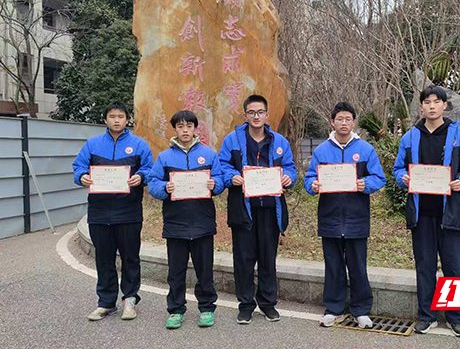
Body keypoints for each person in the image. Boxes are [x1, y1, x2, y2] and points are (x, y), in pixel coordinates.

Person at [393, 86, 460, 337]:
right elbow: (398, 169)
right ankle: (427, 315)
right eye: (427, 102)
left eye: (437, 102)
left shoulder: (459, 136)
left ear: (444, 105)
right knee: (425, 266)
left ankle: (456, 318)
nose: (432, 106)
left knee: (453, 267)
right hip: (422, 213)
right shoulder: (410, 137)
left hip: (450, 212)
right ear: (421, 107)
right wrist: (404, 178)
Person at [303, 102, 386, 329]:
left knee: (358, 265)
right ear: (332, 122)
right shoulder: (322, 151)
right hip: (329, 217)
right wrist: (314, 185)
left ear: (354, 122)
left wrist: (364, 183)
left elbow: (379, 178)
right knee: (333, 265)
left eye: (348, 119)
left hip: (356, 217)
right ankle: (334, 308)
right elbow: (308, 179)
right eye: (340, 119)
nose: (344, 123)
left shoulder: (366, 149)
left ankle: (361, 310)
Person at [218, 94, 297, 324]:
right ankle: (245, 305)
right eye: (251, 112)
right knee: (243, 259)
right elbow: (222, 166)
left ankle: (268, 303)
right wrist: (232, 176)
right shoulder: (232, 140)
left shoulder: (279, 141)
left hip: (271, 208)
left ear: (266, 114)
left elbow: (290, 168)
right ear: (245, 115)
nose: (256, 116)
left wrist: (288, 178)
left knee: (267, 257)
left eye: (260, 112)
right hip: (244, 208)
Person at [73, 102, 154, 321]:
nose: (116, 120)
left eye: (121, 116)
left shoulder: (139, 145)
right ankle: (106, 302)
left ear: (127, 119)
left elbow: (150, 169)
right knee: (104, 258)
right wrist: (82, 176)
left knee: (130, 257)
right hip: (99, 212)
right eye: (112, 116)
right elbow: (78, 167)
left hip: (128, 211)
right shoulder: (93, 144)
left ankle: (130, 299)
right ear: (105, 119)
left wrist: (142, 177)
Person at [148, 110, 224, 329]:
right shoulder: (165, 157)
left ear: (195, 129)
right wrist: (165, 187)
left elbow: (219, 179)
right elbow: (153, 182)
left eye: (189, 126)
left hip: (203, 222)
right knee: (176, 271)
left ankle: (207, 308)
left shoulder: (208, 155)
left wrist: (215, 185)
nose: (185, 130)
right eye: (180, 126)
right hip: (176, 223)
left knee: (205, 271)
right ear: (175, 129)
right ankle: (176, 309)